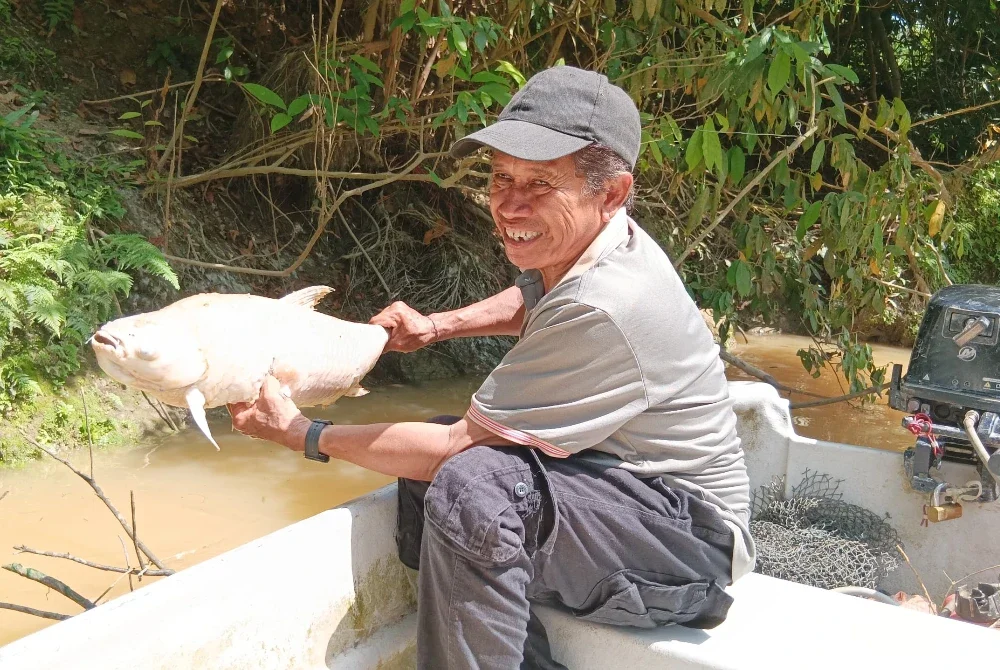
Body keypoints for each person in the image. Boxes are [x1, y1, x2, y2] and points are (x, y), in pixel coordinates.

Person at [230, 65, 755, 669]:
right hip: (621, 492)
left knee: (469, 484)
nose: (508, 204)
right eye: (501, 176)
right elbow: (535, 297)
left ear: (610, 194)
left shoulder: (608, 303)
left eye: (540, 183)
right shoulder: (595, 246)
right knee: (433, 474)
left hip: (689, 545)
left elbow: (455, 448)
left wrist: (302, 432)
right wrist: (436, 326)